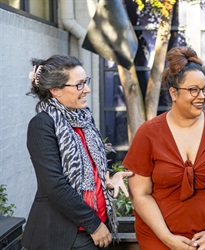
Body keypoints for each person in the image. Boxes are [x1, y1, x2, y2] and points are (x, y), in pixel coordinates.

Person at [122, 46, 205, 250]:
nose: (201, 96)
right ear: (173, 93)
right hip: (160, 237)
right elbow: (140, 194)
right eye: (193, 90)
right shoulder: (148, 133)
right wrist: (167, 238)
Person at [22, 54, 133, 250]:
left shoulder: (83, 118)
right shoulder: (42, 125)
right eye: (79, 85)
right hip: (68, 235)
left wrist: (109, 178)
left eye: (86, 82)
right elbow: (55, 185)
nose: (87, 90)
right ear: (56, 90)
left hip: (97, 227)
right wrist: (94, 225)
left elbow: (91, 168)